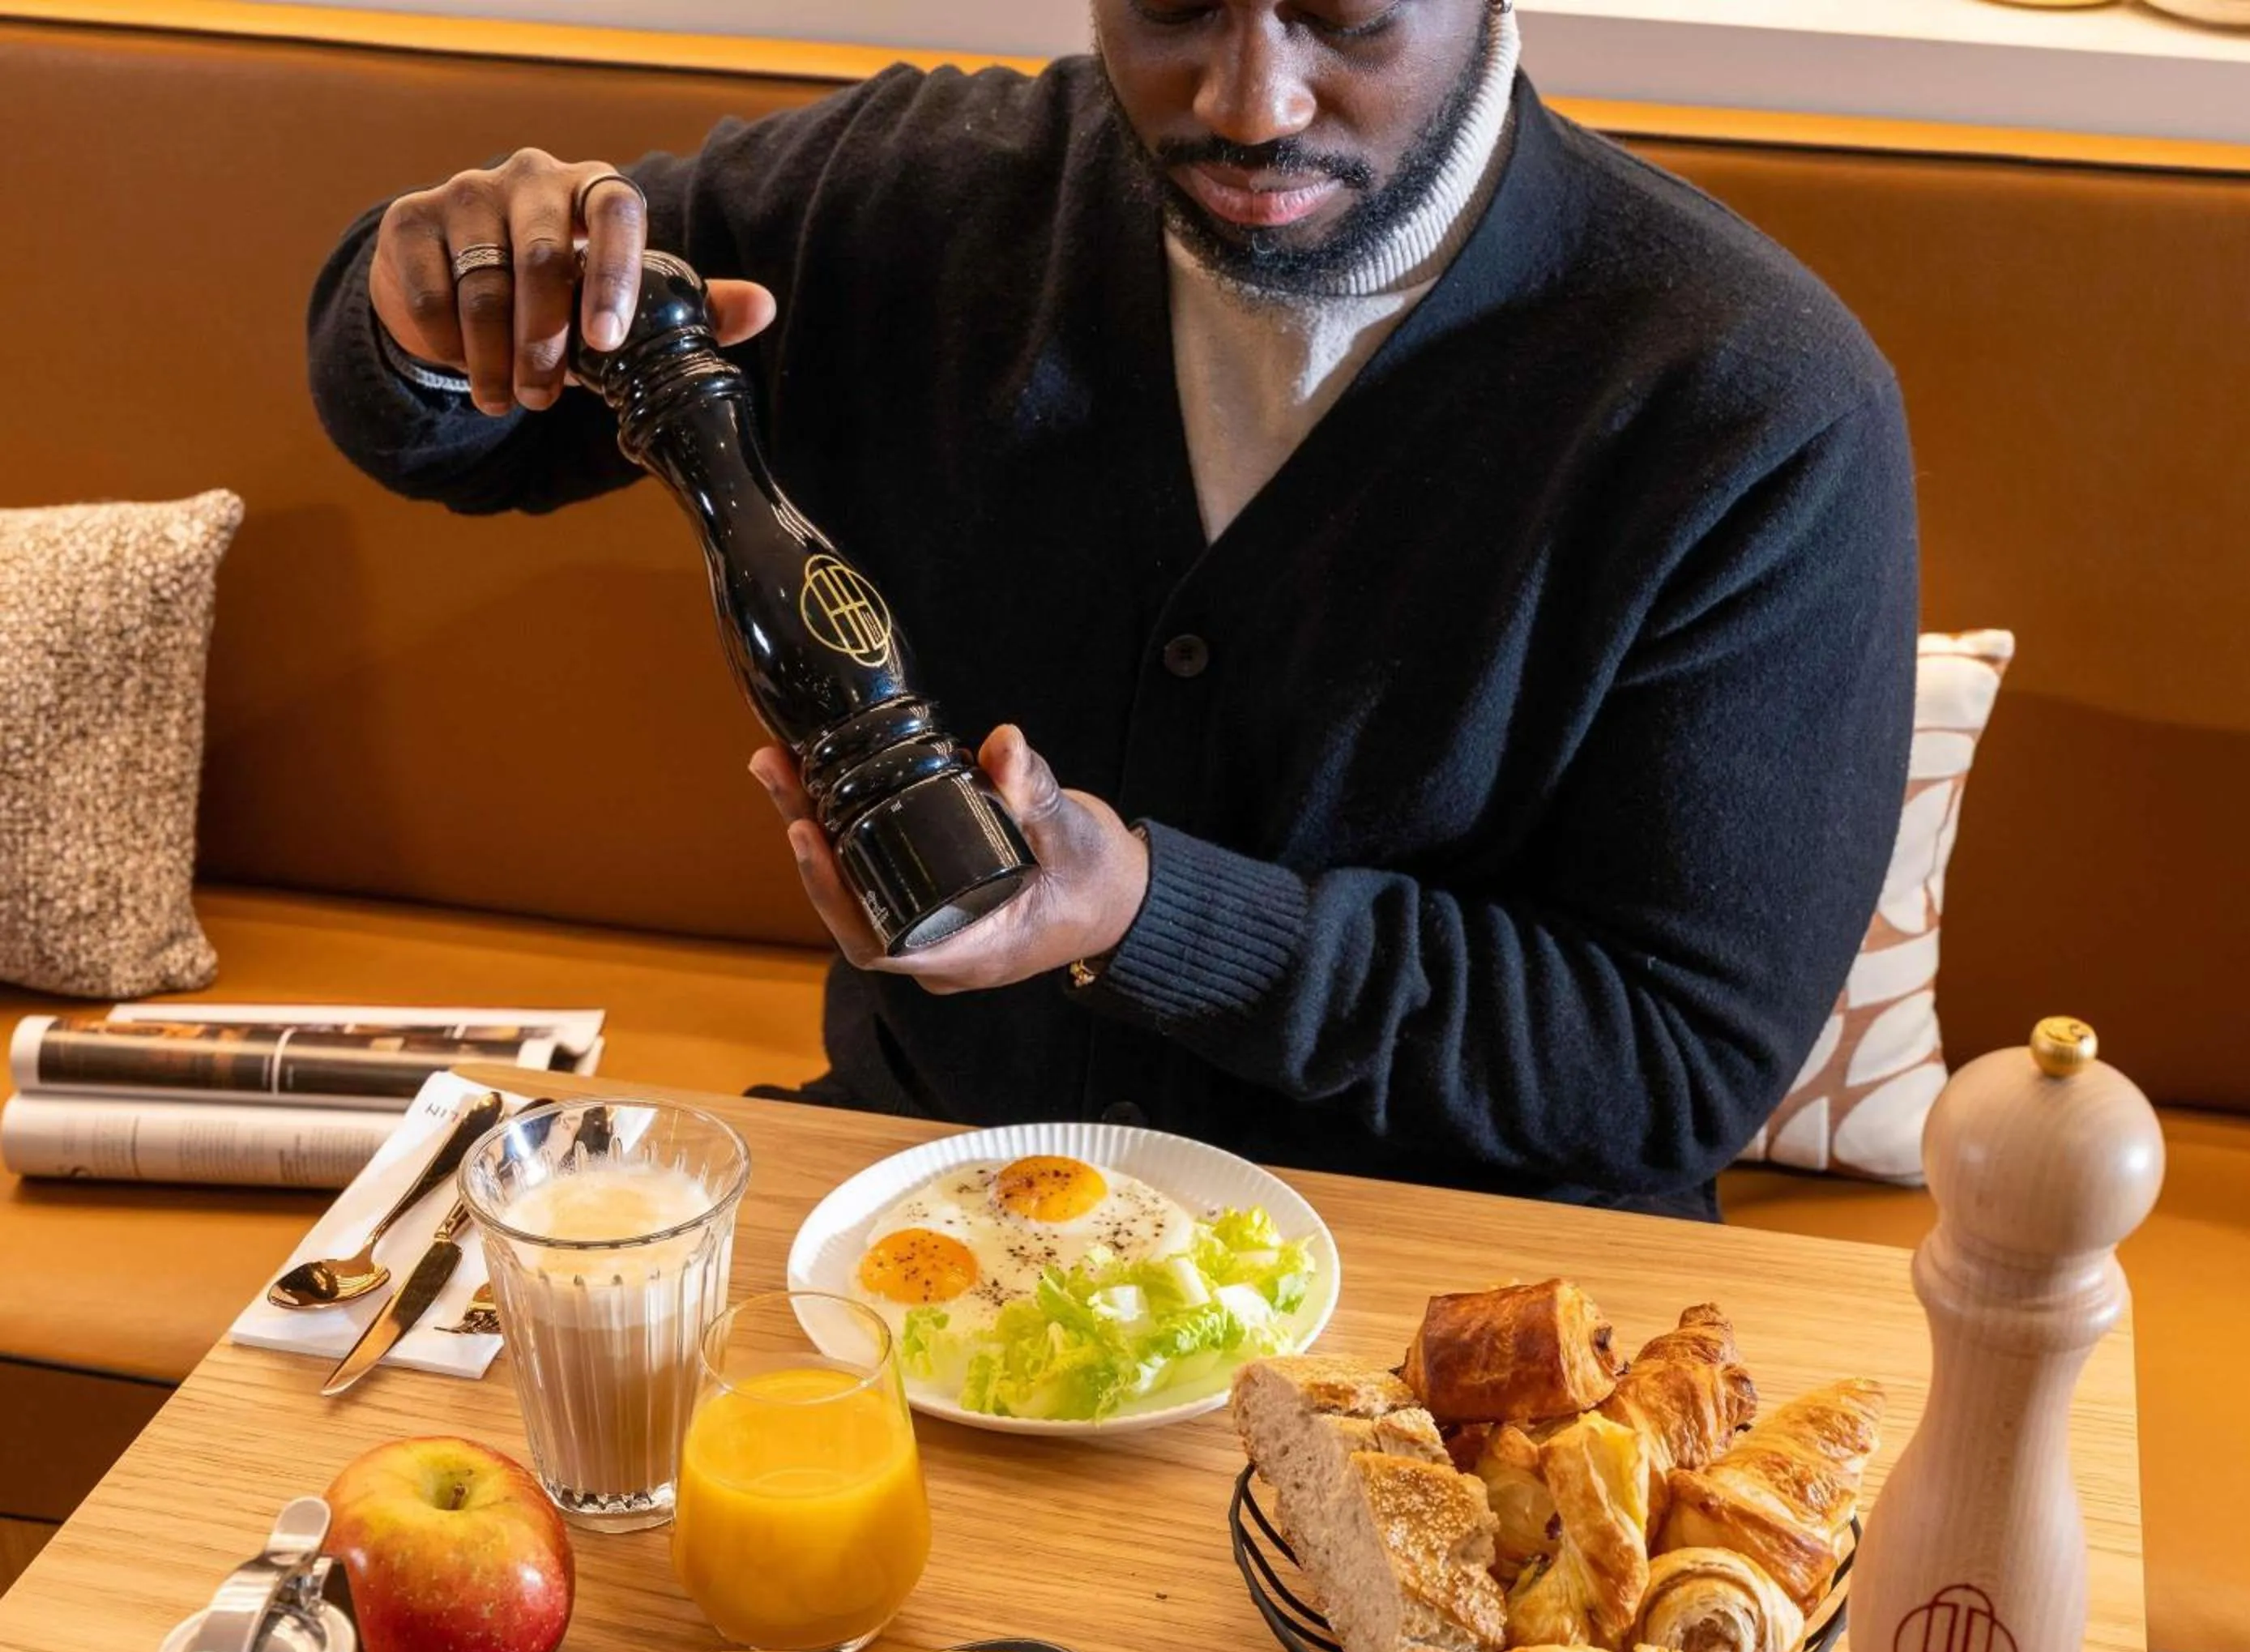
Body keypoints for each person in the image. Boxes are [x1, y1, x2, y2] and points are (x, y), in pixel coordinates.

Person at [307, 0, 1917, 1219]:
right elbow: (446, 415)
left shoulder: (1746, 402)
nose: (1251, 102)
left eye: (1346, 16)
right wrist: (427, 299)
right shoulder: (904, 204)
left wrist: (1150, 916)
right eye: (1171, 6)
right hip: (924, 1234)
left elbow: (1666, 1066)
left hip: (1453, 1331)